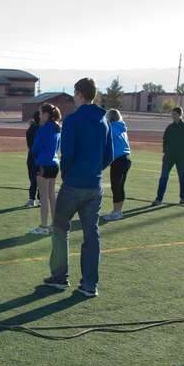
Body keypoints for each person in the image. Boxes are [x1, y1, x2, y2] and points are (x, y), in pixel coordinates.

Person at [45, 78, 113, 297]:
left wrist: (68, 173)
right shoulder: (104, 121)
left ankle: (59, 277)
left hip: (74, 184)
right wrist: (94, 170)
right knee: (91, 236)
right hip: (95, 186)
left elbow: (68, 153)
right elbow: (109, 155)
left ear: (79, 94)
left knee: (60, 229)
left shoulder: (73, 120)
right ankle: (90, 285)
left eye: (74, 93)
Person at [29, 104, 61, 235]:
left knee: (43, 197)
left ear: (46, 115)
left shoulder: (43, 130)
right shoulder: (57, 128)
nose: (39, 115)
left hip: (43, 164)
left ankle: (43, 227)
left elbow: (35, 148)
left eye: (41, 113)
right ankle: (54, 225)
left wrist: (37, 156)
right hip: (54, 164)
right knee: (52, 195)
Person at [153, 106, 184, 206]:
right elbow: (165, 140)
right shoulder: (169, 128)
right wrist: (165, 150)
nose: (173, 116)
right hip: (168, 158)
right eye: (172, 114)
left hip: (181, 159)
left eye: (175, 114)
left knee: (182, 178)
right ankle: (159, 199)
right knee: (163, 177)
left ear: (180, 115)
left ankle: (183, 198)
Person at [102, 109, 132, 221]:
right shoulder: (121, 127)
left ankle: (116, 212)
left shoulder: (111, 128)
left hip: (119, 159)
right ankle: (118, 211)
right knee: (120, 186)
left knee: (115, 186)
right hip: (127, 158)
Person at [24, 110, 41, 207]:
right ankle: (33, 198)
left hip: (37, 156)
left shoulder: (42, 128)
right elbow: (31, 144)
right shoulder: (33, 129)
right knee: (34, 178)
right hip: (35, 156)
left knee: (39, 178)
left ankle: (38, 199)